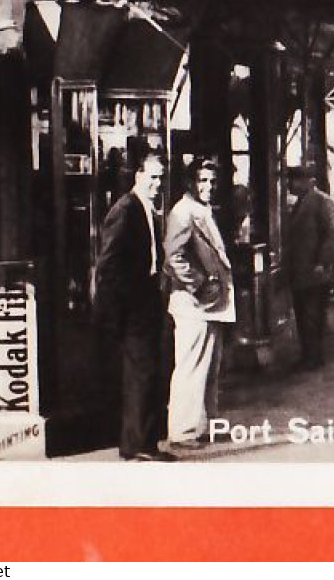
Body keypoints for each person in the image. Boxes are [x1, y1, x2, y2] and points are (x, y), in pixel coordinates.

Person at [93, 151, 174, 461]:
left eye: (160, 178)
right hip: (133, 305)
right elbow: (108, 265)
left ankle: (143, 442)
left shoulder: (146, 209)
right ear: (138, 176)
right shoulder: (126, 209)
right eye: (152, 177)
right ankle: (139, 444)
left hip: (147, 298)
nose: (157, 184)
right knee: (142, 373)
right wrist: (119, 311)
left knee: (150, 371)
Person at [162, 158, 235, 450]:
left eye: (212, 181)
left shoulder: (200, 210)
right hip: (193, 303)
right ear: (190, 183)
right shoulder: (183, 212)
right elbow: (173, 257)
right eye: (202, 181)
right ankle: (182, 430)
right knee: (191, 365)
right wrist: (200, 284)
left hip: (209, 303)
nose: (208, 186)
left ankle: (204, 425)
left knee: (210, 366)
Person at [285, 164, 334, 370]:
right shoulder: (299, 204)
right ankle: (308, 355)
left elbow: (332, 235)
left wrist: (322, 263)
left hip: (315, 271)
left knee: (312, 316)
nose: (291, 184)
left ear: (309, 182)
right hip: (301, 271)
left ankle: (314, 358)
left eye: (295, 180)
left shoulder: (323, 202)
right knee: (303, 315)